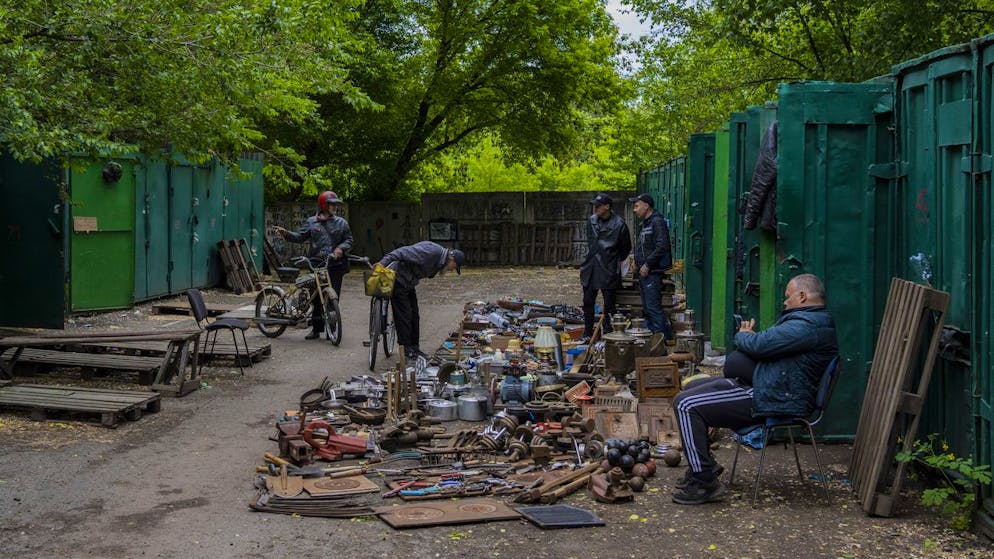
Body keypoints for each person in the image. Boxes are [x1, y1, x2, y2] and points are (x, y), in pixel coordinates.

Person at [671, 273, 838, 505]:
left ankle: (704, 481)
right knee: (686, 393)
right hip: (767, 386)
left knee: (686, 405)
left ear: (802, 296)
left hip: (773, 397)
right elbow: (767, 342)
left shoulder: (808, 326)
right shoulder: (807, 321)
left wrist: (743, 335)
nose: (784, 302)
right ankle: (705, 463)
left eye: (788, 297)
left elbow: (760, 344)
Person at [272, 191, 353, 340]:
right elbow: (300, 237)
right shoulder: (311, 222)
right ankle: (316, 329)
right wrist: (286, 234)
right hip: (316, 264)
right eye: (332, 204)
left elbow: (349, 240)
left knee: (332, 298)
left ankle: (331, 330)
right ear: (323, 205)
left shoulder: (342, 223)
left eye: (336, 204)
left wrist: (340, 248)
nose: (335, 206)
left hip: (335, 265)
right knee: (316, 298)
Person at [379, 241, 465, 360]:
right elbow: (401, 252)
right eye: (454, 267)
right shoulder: (432, 252)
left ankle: (415, 348)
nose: (451, 270)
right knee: (405, 315)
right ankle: (406, 349)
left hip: (409, 282)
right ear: (452, 259)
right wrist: (382, 264)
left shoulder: (440, 261)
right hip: (399, 278)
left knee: (415, 316)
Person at [579, 193, 631, 340]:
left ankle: (609, 332)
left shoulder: (619, 224)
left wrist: (612, 259)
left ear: (607, 207)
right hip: (591, 266)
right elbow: (591, 242)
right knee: (588, 301)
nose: (595, 208)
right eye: (594, 205)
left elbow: (625, 248)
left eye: (598, 205)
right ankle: (588, 332)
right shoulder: (592, 221)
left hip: (609, 268)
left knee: (609, 305)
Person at [629, 193, 673, 340]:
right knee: (648, 308)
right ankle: (655, 339)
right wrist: (636, 260)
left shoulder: (657, 222)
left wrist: (648, 264)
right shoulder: (645, 224)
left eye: (637, 206)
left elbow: (662, 246)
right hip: (645, 272)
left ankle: (664, 340)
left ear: (646, 205)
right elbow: (642, 246)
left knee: (653, 308)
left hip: (653, 272)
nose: (634, 210)